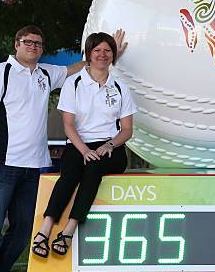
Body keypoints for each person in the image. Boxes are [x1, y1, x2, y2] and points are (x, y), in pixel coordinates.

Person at [0, 26, 127, 272]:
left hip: (36, 165)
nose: (33, 46)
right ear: (16, 44)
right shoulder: (2, 72)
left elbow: (79, 66)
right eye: (28, 42)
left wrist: (110, 51)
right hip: (3, 163)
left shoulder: (46, 73)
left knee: (22, 231)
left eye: (38, 43)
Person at [31, 32, 136, 258]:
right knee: (69, 174)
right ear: (88, 54)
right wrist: (85, 150)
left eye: (107, 50)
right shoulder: (74, 83)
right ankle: (45, 229)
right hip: (79, 144)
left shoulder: (120, 87)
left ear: (114, 55)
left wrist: (108, 145)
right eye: (97, 50)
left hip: (111, 147)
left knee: (94, 168)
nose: (102, 55)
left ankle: (69, 230)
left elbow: (127, 130)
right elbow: (68, 125)